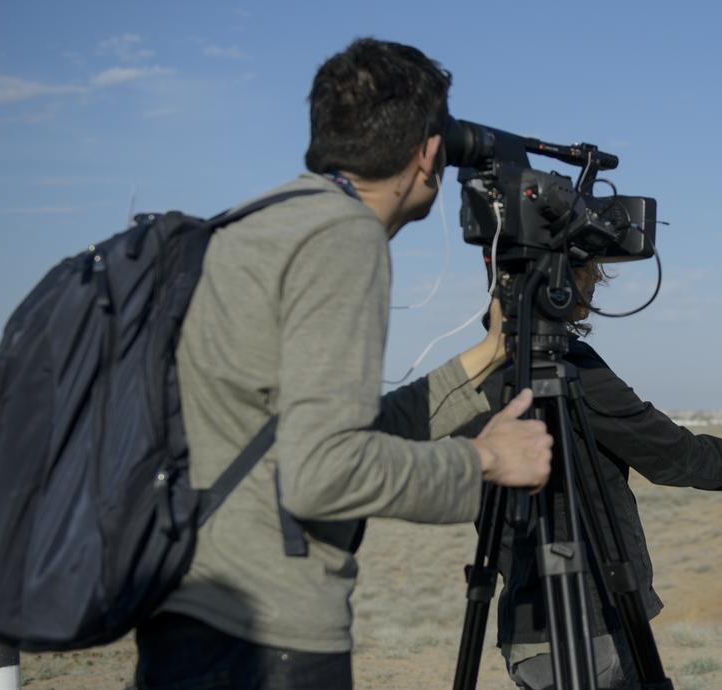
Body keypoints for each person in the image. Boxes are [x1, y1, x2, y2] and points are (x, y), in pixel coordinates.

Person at [133, 38, 553, 690]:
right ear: (427, 155)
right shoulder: (345, 239)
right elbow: (320, 474)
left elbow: (311, 436)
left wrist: (487, 355)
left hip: (188, 621)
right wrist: (486, 461)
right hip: (266, 641)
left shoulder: (262, 222)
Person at [460, 260, 722, 690]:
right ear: (562, 273)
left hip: (527, 633)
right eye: (589, 267)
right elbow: (679, 456)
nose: (596, 284)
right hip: (590, 626)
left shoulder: (476, 374)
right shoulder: (572, 369)